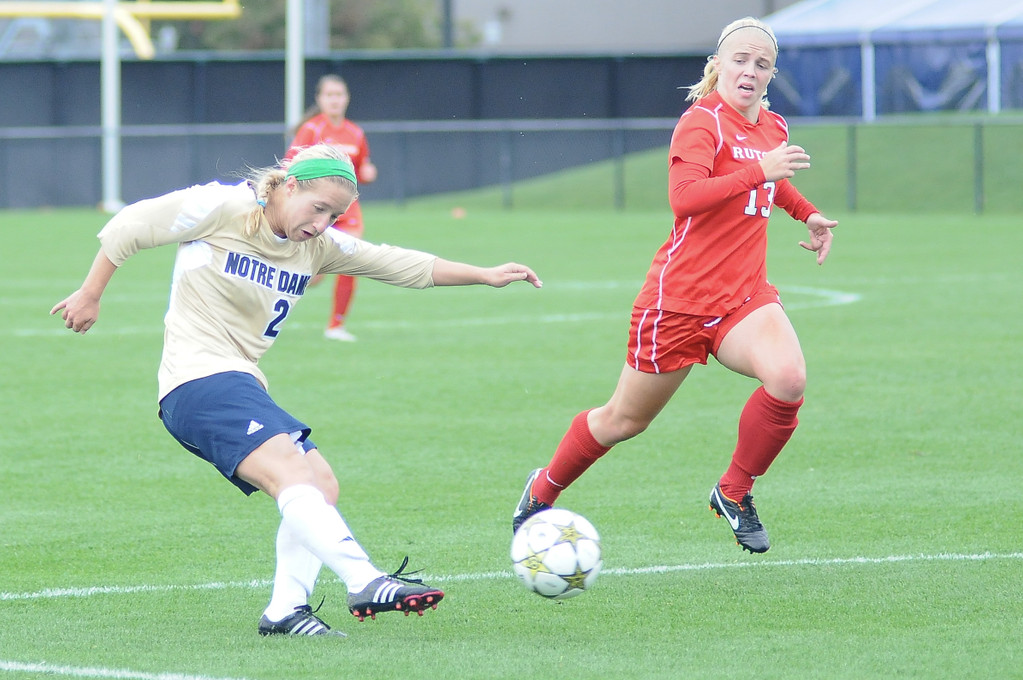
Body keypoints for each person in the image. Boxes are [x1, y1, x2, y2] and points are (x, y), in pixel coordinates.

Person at [51, 143, 542, 636]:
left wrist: (483, 275)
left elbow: (397, 263)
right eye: (318, 207)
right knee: (290, 471)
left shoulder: (317, 246)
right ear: (289, 186)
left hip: (238, 382)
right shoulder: (226, 206)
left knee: (319, 482)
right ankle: (364, 579)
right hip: (196, 381)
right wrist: (90, 294)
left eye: (335, 214)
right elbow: (129, 226)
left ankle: (286, 610)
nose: (323, 222)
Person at [511, 16, 838, 554]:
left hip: (744, 298)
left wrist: (807, 213)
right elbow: (686, 197)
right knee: (623, 420)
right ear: (718, 65)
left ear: (772, 73)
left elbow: (773, 183)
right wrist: (762, 172)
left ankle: (733, 491)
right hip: (678, 304)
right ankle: (542, 489)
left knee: (788, 378)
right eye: (739, 59)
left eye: (762, 63)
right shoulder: (701, 122)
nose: (749, 71)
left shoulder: (772, 128)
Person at [285, 74, 377, 342]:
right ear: (320, 99)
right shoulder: (312, 130)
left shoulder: (355, 133)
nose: (335, 100)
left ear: (346, 98)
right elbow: (290, 166)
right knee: (312, 276)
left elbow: (359, 172)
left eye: (340, 95)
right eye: (330, 95)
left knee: (351, 258)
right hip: (315, 207)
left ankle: (336, 326)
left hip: (347, 209)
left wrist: (368, 173)